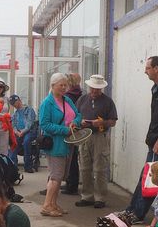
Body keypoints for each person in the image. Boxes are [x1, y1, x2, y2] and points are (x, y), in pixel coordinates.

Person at [120, 56, 158, 223]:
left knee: (154, 178)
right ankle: (132, 210)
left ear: (156, 69)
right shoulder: (157, 87)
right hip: (156, 141)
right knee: (146, 176)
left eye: (148, 68)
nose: (145, 71)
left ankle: (138, 213)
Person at [38, 72, 81, 217]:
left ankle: (54, 204)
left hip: (68, 144)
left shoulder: (67, 100)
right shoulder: (47, 103)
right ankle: (46, 205)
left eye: (65, 85)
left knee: (61, 176)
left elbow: (78, 115)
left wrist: (75, 122)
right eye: (60, 85)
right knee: (55, 177)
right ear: (53, 86)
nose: (63, 87)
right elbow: (45, 124)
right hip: (55, 144)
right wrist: (64, 130)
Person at [75, 74, 118, 209]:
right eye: (92, 88)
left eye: (97, 89)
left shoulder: (108, 101)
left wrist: (102, 122)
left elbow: (113, 122)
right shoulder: (82, 99)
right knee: (84, 167)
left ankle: (100, 198)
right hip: (84, 135)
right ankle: (87, 196)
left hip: (100, 136)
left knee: (100, 168)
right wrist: (79, 121)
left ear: (101, 89)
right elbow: (75, 115)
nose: (94, 91)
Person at [63, 73, 83, 195]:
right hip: (79, 127)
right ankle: (73, 183)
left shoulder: (67, 97)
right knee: (75, 157)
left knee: (69, 157)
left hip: (69, 127)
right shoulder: (81, 94)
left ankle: (70, 184)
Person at [8, 94, 38, 173]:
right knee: (13, 143)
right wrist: (16, 132)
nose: (14, 105)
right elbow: (13, 125)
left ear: (19, 100)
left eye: (14, 102)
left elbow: (30, 123)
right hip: (19, 133)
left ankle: (28, 166)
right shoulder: (14, 114)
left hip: (30, 132)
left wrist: (22, 132)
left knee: (26, 141)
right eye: (12, 104)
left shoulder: (29, 110)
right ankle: (13, 167)